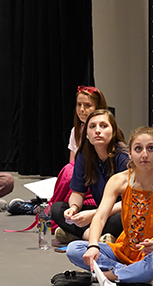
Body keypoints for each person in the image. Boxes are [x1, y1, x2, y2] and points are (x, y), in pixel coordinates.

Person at [63, 126, 153, 286]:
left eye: (151, 148)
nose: (144, 155)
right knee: (74, 249)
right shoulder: (118, 180)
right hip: (124, 250)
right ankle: (134, 274)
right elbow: (100, 216)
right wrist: (93, 245)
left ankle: (106, 275)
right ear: (130, 153)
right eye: (138, 149)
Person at [50, 109, 129, 242]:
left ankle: (82, 235)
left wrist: (94, 215)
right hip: (99, 213)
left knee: (122, 218)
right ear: (86, 134)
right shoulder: (84, 155)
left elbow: (129, 202)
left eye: (103, 126)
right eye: (92, 127)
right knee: (57, 209)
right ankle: (97, 236)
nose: (97, 130)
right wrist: (74, 209)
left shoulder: (123, 157)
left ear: (113, 131)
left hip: (117, 211)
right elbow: (77, 192)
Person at [43, 86, 108, 228]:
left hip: (97, 185)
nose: (82, 110)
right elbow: (72, 166)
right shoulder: (76, 131)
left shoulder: (106, 136)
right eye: (79, 105)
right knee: (60, 207)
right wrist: (73, 207)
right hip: (81, 182)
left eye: (87, 105)